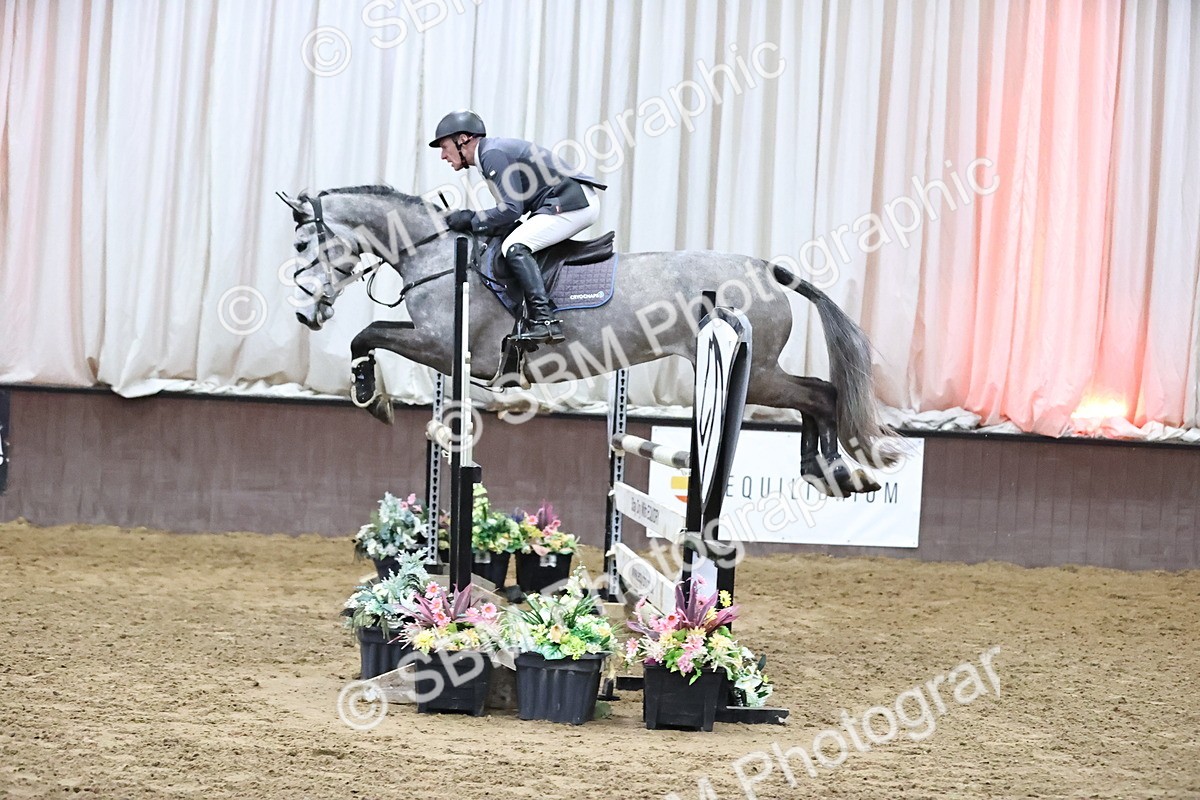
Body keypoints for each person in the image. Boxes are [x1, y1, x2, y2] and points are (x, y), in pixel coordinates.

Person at [429, 110, 606, 345]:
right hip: (561, 200)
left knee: (514, 246)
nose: (443, 156)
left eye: (444, 146)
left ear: (463, 139)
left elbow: (511, 210)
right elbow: (509, 214)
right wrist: (474, 223)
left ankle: (545, 320)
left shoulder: (492, 154)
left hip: (573, 202)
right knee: (511, 238)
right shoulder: (488, 156)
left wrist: (471, 218)